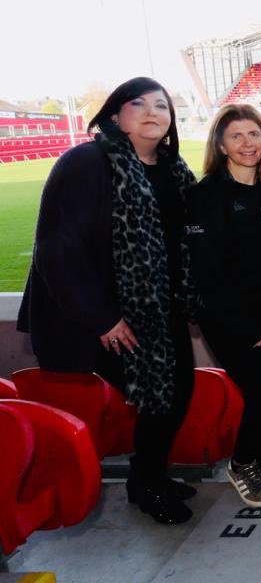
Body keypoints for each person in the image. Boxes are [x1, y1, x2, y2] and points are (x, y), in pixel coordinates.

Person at [17, 77, 198, 524]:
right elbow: (56, 249)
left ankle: (147, 475)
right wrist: (102, 317)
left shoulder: (172, 169)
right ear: (116, 116)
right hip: (112, 314)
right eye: (139, 104)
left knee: (175, 392)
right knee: (160, 398)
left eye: (162, 105)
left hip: (162, 306)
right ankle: (148, 485)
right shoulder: (88, 161)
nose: (153, 111)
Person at [185, 104, 261, 506]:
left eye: (254, 134)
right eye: (237, 136)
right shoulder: (204, 196)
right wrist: (246, 327)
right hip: (232, 320)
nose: (248, 144)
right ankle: (242, 464)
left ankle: (258, 466)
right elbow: (208, 273)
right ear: (222, 145)